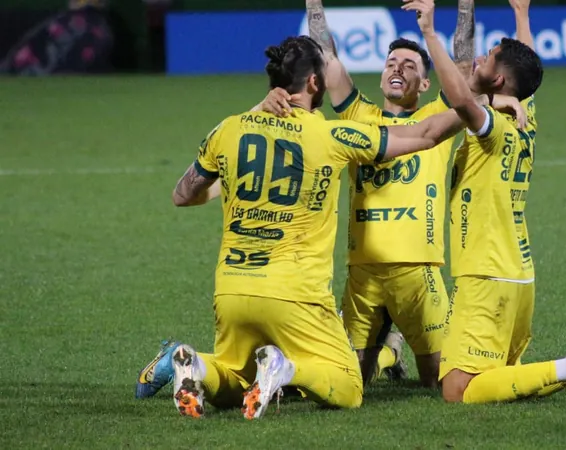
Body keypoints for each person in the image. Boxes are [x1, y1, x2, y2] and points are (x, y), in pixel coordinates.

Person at [138, 35, 464, 418]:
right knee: (347, 384)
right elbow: (425, 134)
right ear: (313, 83)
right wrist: (482, 108)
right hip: (296, 294)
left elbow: (184, 194)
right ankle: (284, 367)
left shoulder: (229, 129)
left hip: (232, 289)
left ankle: (194, 363)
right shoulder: (329, 135)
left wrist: (256, 113)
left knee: (234, 378)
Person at [257, 0, 524, 388]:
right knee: (350, 381)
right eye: (391, 63)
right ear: (381, 75)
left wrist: (465, 4)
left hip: (420, 276)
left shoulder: (436, 116)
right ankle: (389, 351)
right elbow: (326, 56)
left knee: (439, 381)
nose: (397, 68)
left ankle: (392, 347)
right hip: (362, 274)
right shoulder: (357, 116)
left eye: (409, 65)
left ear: (426, 83)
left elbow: (465, 69)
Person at [401, 0, 566, 403]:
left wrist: (428, 33)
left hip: (486, 275)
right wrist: (522, 15)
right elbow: (524, 74)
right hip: (518, 275)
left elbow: (460, 100)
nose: (478, 59)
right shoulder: (524, 117)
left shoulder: (494, 129)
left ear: (498, 83)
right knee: (498, 379)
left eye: (488, 59)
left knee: (458, 390)